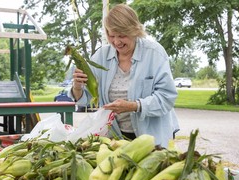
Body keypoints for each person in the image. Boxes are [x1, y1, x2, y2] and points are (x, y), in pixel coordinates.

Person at [68, 3, 179, 147]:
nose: (116, 42)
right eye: (111, 35)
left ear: (134, 31)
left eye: (122, 35)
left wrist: (134, 106)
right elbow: (85, 99)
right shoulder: (101, 56)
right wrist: (77, 87)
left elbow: (166, 98)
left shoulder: (155, 53)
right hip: (117, 138)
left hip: (152, 137)